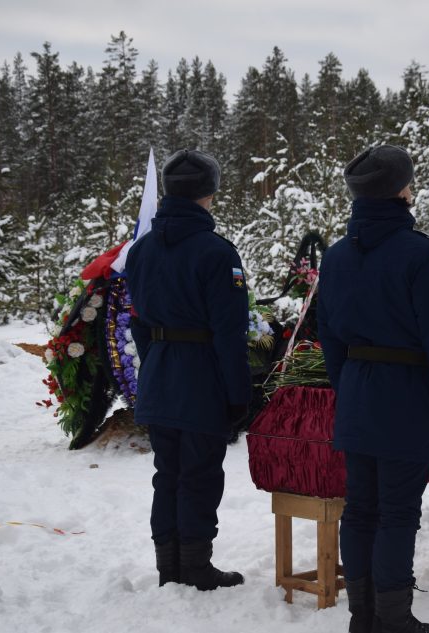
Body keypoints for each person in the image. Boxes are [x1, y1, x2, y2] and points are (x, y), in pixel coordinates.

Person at [317, 145, 429, 633]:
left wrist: (349, 387)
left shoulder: (337, 255)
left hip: (360, 391)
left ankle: (363, 615)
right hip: (407, 392)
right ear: (402, 190)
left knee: (360, 509)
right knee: (398, 511)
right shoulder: (418, 252)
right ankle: (393, 618)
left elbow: (330, 335)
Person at [126, 149, 252, 590]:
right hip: (201, 378)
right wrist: (239, 394)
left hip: (159, 375)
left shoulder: (140, 249)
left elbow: (137, 321)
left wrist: (156, 361)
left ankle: (170, 566)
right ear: (210, 192)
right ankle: (194, 565)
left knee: (168, 474)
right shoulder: (217, 252)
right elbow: (229, 332)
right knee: (199, 474)